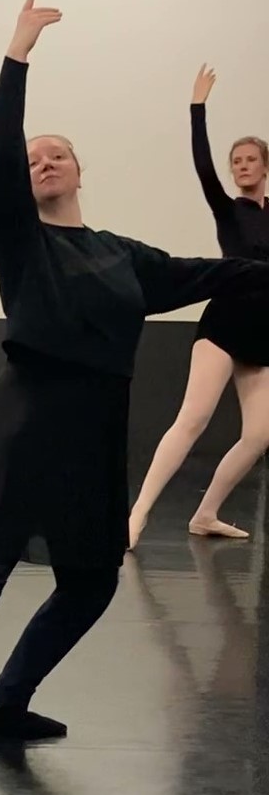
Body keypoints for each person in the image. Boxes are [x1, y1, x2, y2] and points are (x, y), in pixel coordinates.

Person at [0, 0, 269, 787]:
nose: (40, 160)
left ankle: (5, 703)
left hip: (94, 437)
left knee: (91, 580)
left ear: (78, 168)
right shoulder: (16, 240)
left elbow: (208, 270)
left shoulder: (119, 254)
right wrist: (16, 54)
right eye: (31, 159)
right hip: (24, 423)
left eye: (53, 151)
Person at [128, 66, 269, 548]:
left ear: (265, 166)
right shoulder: (229, 210)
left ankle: (206, 513)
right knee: (193, 417)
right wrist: (197, 107)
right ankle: (138, 514)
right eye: (238, 161)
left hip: (263, 333)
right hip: (226, 321)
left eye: (251, 160)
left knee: (260, 434)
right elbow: (202, 166)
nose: (242, 166)